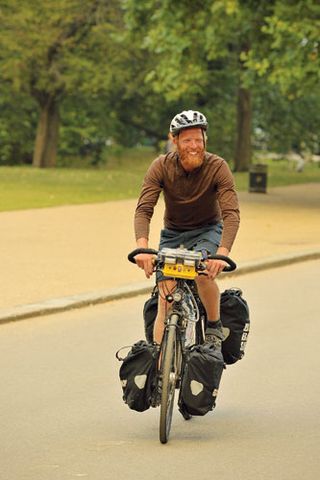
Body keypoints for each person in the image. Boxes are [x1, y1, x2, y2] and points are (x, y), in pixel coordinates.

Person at [133, 110, 240, 350]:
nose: (194, 146)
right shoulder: (160, 166)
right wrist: (143, 248)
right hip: (173, 234)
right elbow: (144, 210)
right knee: (166, 298)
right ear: (175, 140)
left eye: (198, 140)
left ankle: (213, 325)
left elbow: (231, 213)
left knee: (202, 274)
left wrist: (221, 254)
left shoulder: (218, 167)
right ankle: (160, 371)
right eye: (187, 140)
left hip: (208, 231)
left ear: (205, 141)